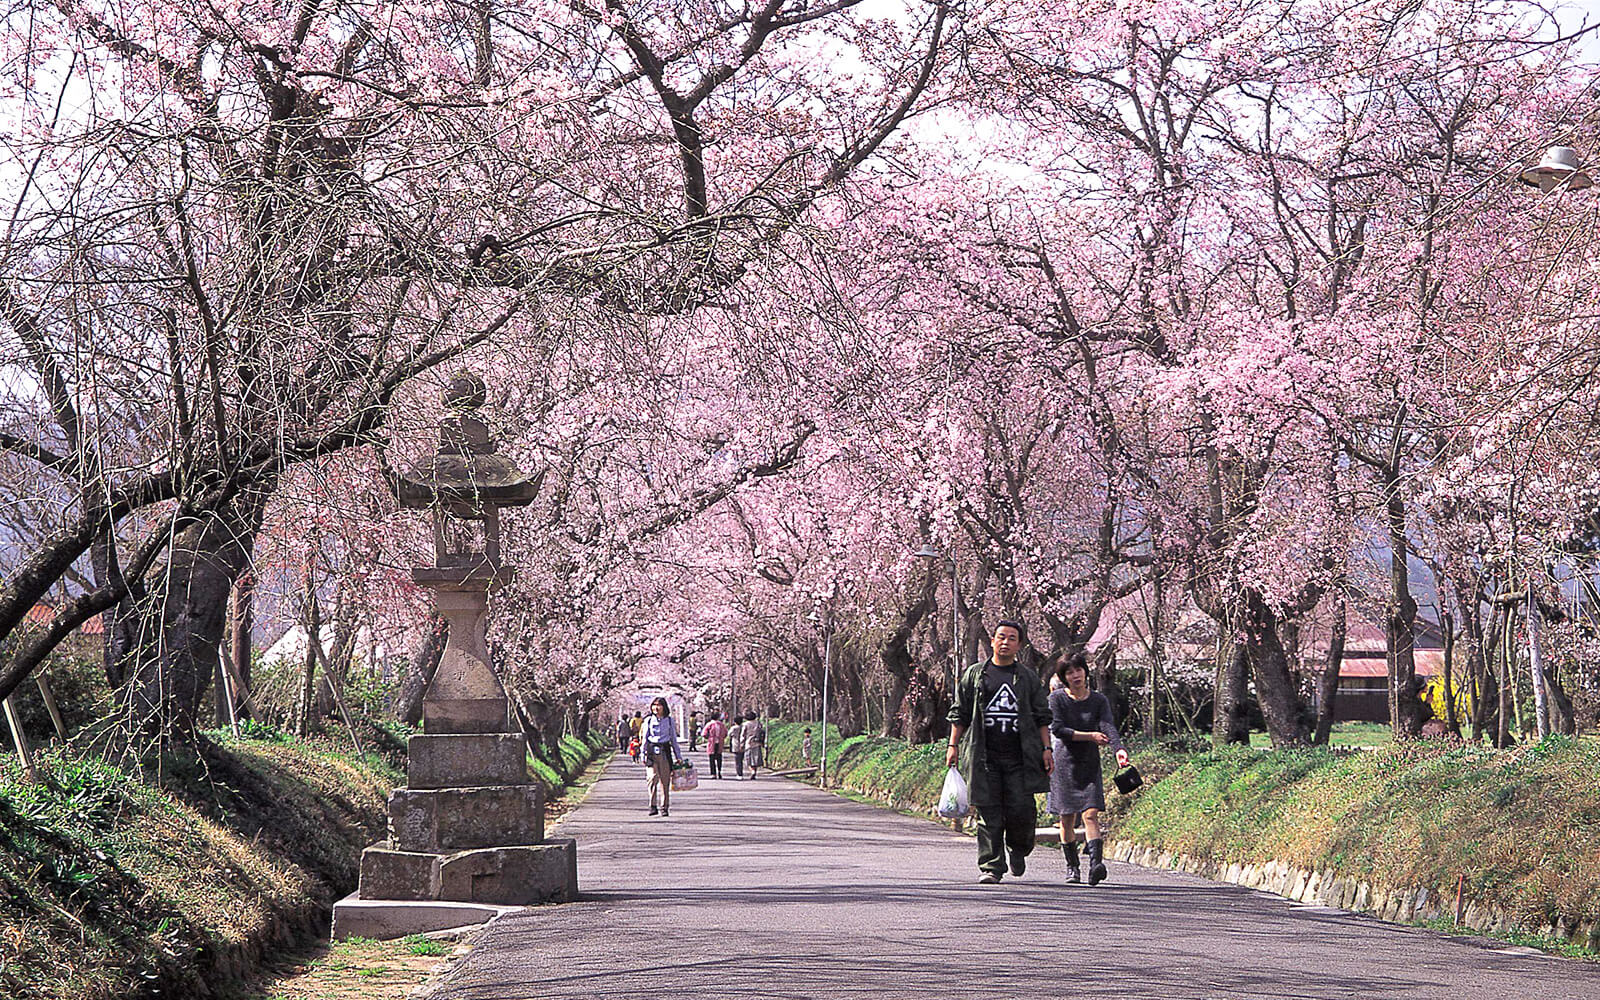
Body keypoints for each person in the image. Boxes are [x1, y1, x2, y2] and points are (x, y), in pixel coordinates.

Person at [946, 618, 1053, 884]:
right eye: (1001, 637)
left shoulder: (1027, 678)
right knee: (988, 811)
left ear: (1020, 645)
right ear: (992, 641)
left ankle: (1018, 849)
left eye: (1012, 638)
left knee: (1022, 810)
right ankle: (992, 866)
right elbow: (959, 713)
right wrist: (953, 745)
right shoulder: (974, 675)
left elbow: (1042, 716)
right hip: (984, 757)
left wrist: (1046, 748)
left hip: (1021, 757)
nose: (1005, 642)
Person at [1048, 652, 1129, 885]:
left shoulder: (1098, 700)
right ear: (1064, 677)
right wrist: (1090, 736)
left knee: (1091, 814)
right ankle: (1072, 867)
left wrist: (1118, 749)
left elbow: (1107, 725)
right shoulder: (1057, 700)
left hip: (1089, 762)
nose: (1075, 675)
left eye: (1078, 670)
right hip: (1063, 762)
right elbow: (1058, 729)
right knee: (1067, 819)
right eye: (1069, 672)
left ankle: (1096, 864)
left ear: (1085, 671)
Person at [640, 696, 685, 816]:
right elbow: (644, 738)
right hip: (651, 751)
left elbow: (673, 740)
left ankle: (664, 807)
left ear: (664, 707)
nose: (656, 707)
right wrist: (642, 753)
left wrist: (678, 756)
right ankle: (652, 805)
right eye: (654, 705)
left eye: (658, 705)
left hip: (665, 750)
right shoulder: (648, 720)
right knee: (652, 778)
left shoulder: (669, 721)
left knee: (665, 781)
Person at [703, 712, 727, 778]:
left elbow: (704, 733)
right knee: (719, 757)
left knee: (712, 759)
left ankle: (713, 773)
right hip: (720, 743)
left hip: (711, 743)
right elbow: (725, 733)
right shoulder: (722, 725)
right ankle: (719, 771)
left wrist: (709, 737)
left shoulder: (709, 724)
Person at [743, 714, 765, 779]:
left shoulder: (746, 724)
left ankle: (752, 771)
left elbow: (743, 734)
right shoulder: (758, 723)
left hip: (748, 743)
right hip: (757, 743)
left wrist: (741, 743)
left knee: (748, 759)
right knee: (756, 759)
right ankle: (754, 771)